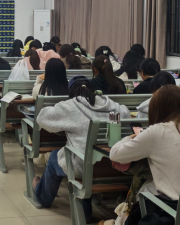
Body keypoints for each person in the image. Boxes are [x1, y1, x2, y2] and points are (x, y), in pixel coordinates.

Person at [33, 77, 130, 222]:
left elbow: (42, 118)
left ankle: (43, 197)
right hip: (114, 168)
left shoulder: (71, 105)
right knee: (84, 156)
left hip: (83, 168)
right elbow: (126, 113)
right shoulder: (111, 104)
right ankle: (85, 211)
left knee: (55, 158)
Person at [110, 85, 180, 206]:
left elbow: (115, 154)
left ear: (157, 109)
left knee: (144, 185)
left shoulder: (156, 131)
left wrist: (130, 137)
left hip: (173, 205)